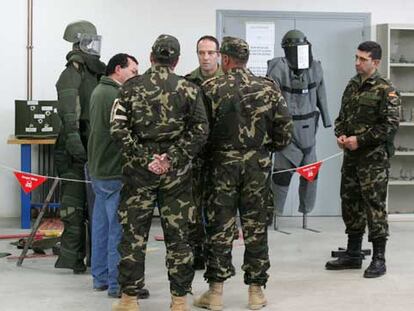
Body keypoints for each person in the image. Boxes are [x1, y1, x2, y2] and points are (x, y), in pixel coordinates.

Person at [110, 34, 209, 311]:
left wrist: (145, 158)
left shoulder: (130, 88)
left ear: (152, 57)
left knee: (133, 237)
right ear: (176, 60)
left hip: (138, 176)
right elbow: (201, 130)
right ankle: (179, 301)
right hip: (176, 177)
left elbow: (117, 129)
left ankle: (129, 299)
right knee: (179, 240)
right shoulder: (189, 89)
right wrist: (171, 158)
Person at [194, 36, 293, 310]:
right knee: (256, 228)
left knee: (220, 229)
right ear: (246, 59)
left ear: (225, 59)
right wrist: (264, 149)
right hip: (256, 169)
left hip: (220, 169)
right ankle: (256, 292)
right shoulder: (268, 88)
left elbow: (199, 132)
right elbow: (285, 131)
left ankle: (215, 293)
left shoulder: (210, 88)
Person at [325, 41, 400, 278]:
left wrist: (361, 140)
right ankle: (354, 253)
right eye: (356, 58)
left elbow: (390, 126)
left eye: (363, 59)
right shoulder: (352, 85)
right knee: (350, 203)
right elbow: (341, 118)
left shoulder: (385, 89)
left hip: (373, 160)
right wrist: (341, 134)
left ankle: (379, 258)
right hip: (351, 159)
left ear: (375, 62)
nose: (357, 63)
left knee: (374, 207)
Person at [88, 53, 141, 298]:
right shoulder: (116, 95)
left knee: (100, 227)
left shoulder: (98, 91)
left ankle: (99, 278)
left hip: (98, 169)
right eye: (132, 71)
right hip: (113, 171)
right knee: (117, 231)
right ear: (118, 69)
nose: (135, 77)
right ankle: (116, 284)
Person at [54, 20, 106, 274]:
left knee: (98, 210)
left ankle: (96, 258)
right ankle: (74, 258)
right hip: (75, 150)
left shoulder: (99, 72)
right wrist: (76, 144)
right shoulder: (71, 74)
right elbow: (68, 113)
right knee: (74, 208)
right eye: (89, 40)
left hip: (94, 148)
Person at [266, 29, 332, 219]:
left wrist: (327, 119)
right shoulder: (278, 68)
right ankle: (274, 213)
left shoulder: (315, 68)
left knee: (311, 175)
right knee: (281, 175)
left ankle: (306, 210)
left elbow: (322, 94)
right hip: (286, 133)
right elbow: (270, 100)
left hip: (309, 132)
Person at [185, 35, 223, 270]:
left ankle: (215, 252)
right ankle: (197, 250)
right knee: (193, 206)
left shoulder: (228, 81)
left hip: (220, 155)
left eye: (210, 53)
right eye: (201, 53)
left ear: (218, 55)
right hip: (195, 156)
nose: (206, 57)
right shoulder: (189, 82)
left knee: (218, 206)